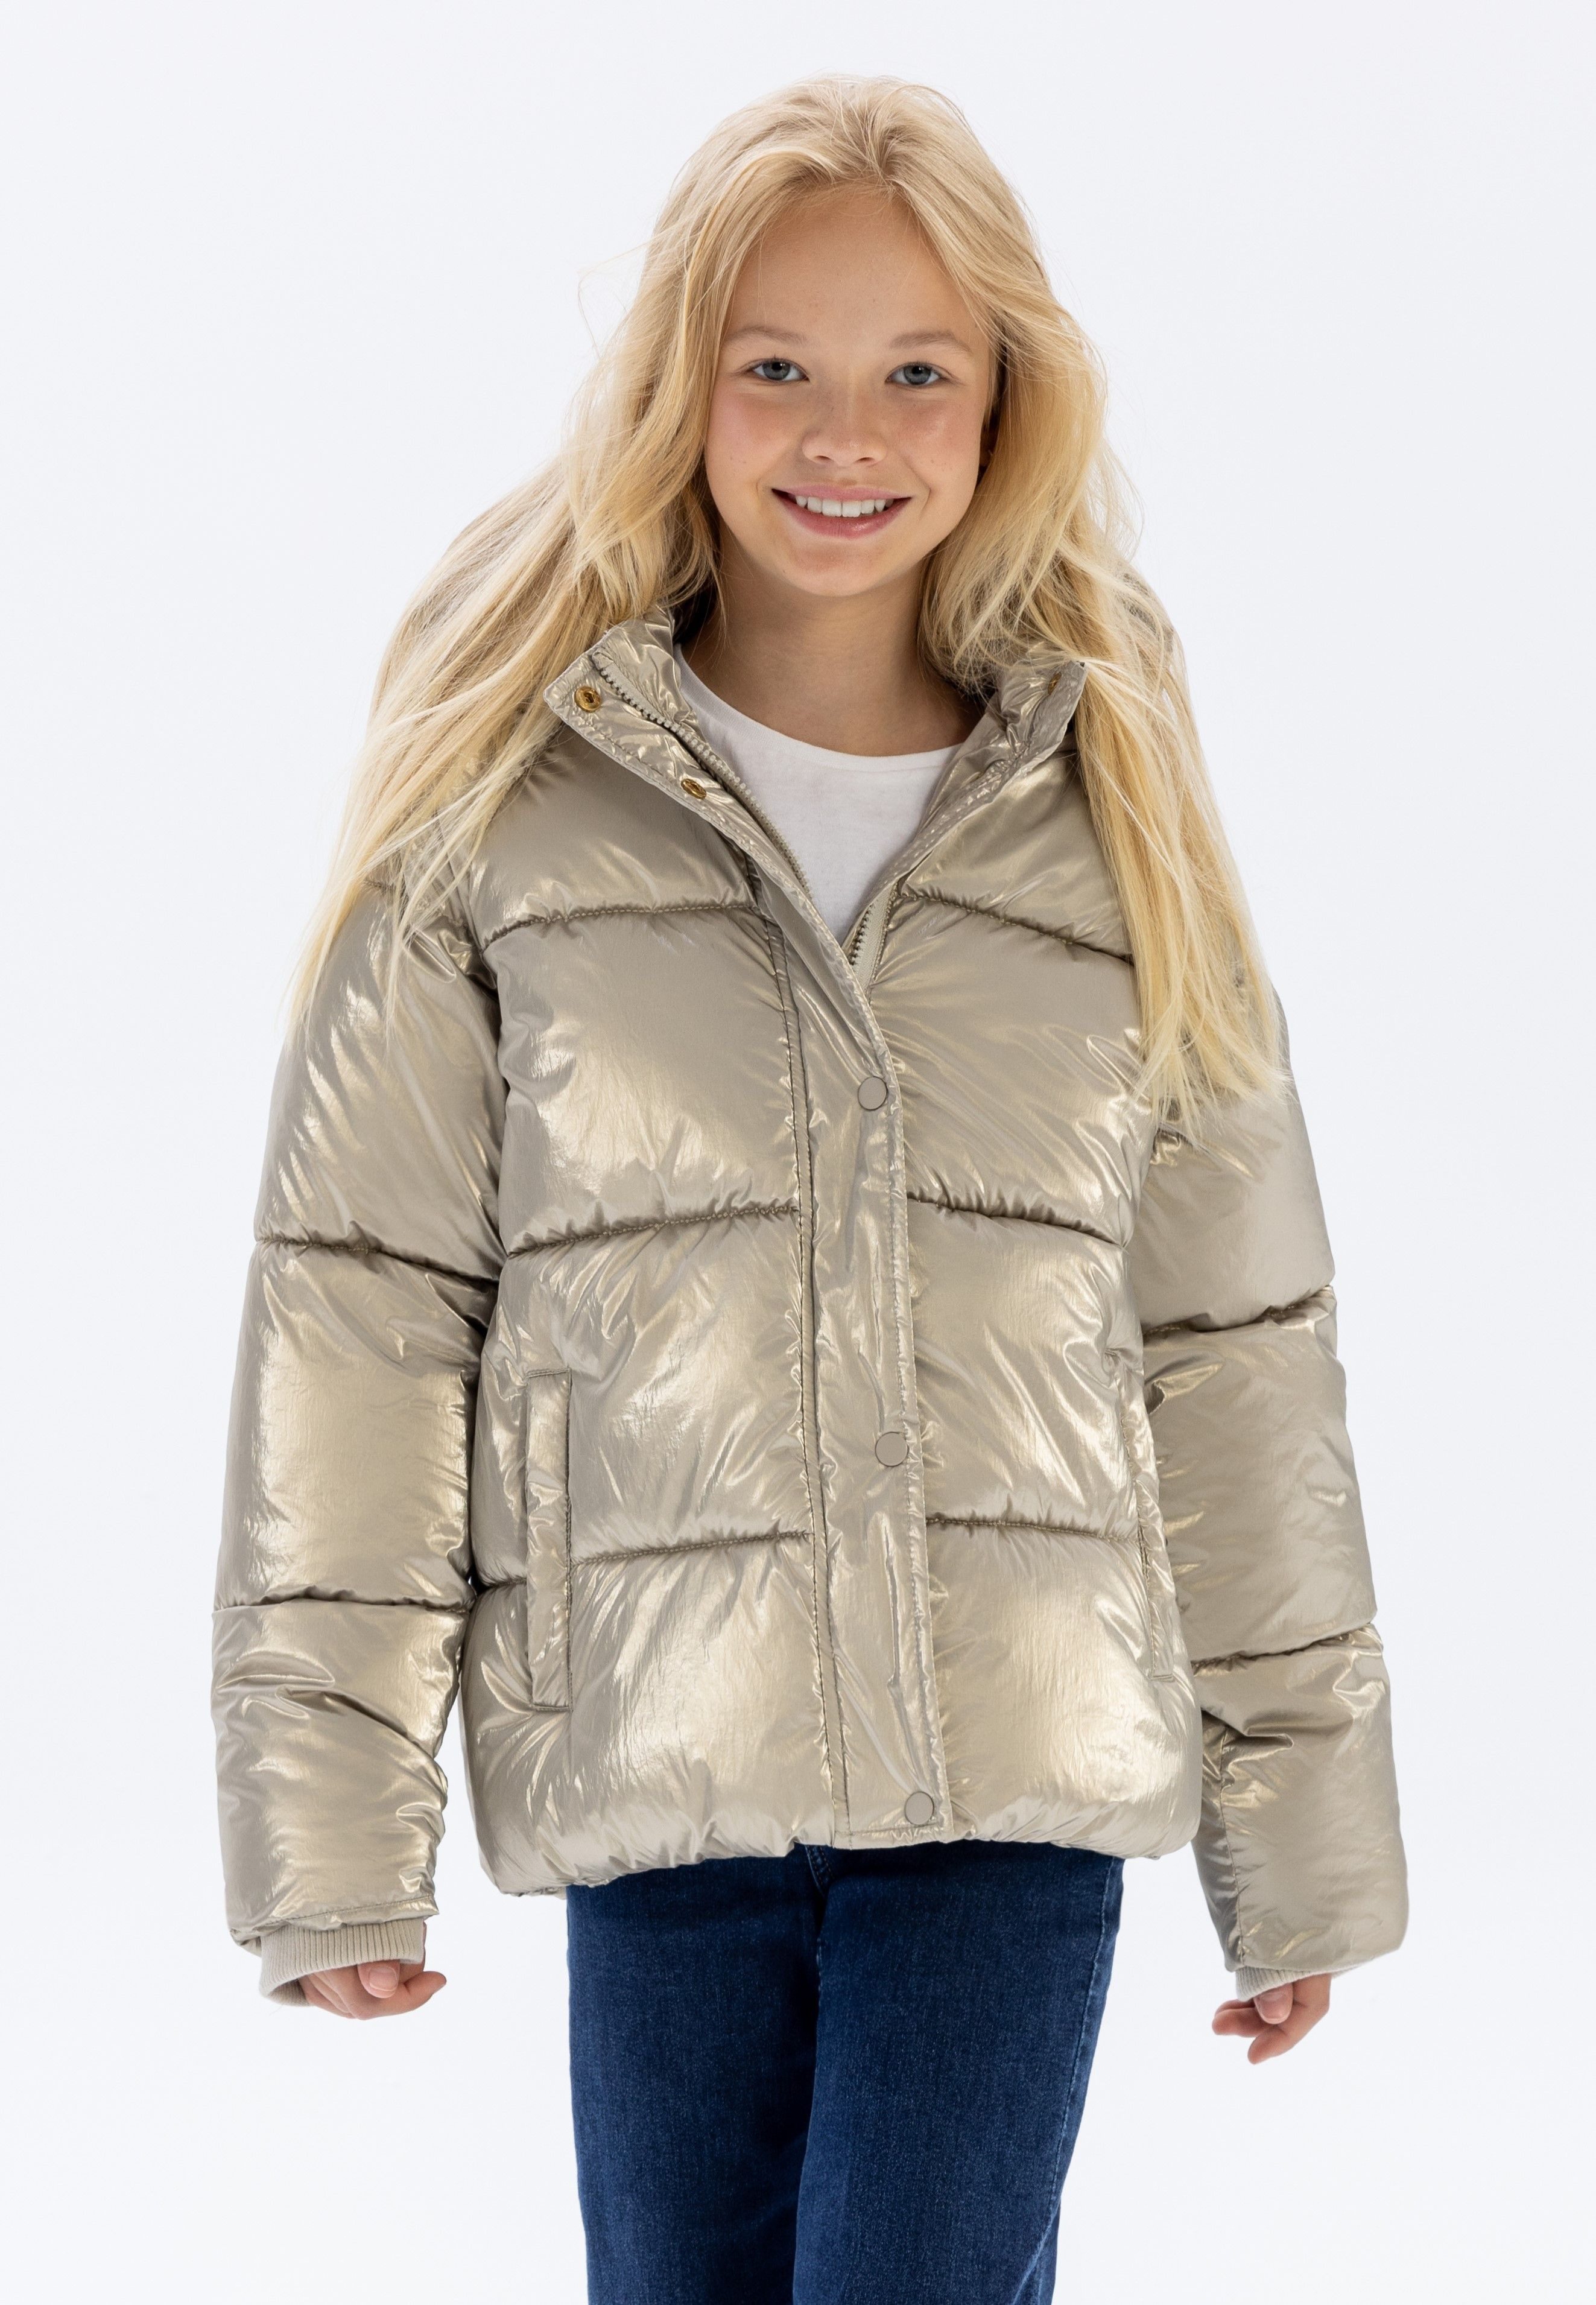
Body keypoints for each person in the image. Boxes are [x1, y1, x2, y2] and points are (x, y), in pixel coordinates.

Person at [212, 75, 1407, 2303]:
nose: (845, 434)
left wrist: (1302, 1833)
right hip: (664, 1759)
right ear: (684, 385)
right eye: (778, 364)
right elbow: (364, 1318)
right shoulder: (512, 813)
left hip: (1012, 1789)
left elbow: (1234, 1348)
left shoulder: (1114, 809)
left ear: (1004, 403)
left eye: (916, 373)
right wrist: (331, 1827)